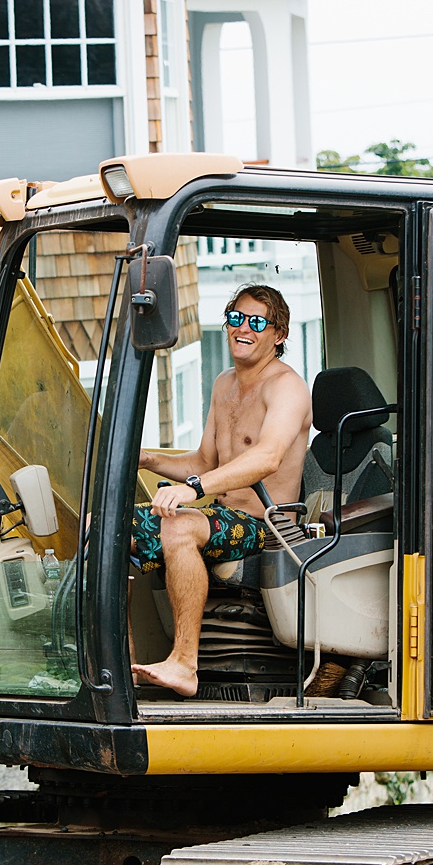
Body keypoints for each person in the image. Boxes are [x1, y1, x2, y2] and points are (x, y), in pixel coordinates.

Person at [130, 284, 312, 696]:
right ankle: (121, 665)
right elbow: (204, 463)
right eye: (236, 318)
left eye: (257, 322)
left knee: (179, 527)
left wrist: (194, 491)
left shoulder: (286, 388)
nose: (243, 329)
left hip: (267, 527)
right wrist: (148, 459)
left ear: (278, 335)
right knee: (103, 527)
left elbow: (266, 458)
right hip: (223, 520)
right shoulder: (223, 384)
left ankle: (184, 665)